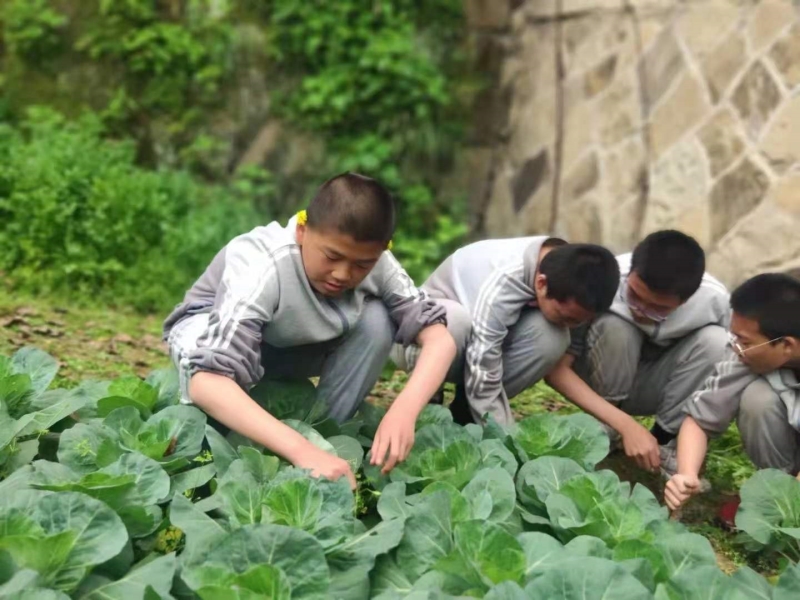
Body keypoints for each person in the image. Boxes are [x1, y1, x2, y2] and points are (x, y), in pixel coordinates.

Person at [163, 173, 464, 489]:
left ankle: (324, 435)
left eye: (362, 265)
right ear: (302, 231)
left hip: (291, 343)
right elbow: (207, 382)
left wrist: (404, 411)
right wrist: (301, 450)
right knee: (214, 400)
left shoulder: (378, 263)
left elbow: (439, 340)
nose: (343, 274)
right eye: (332, 256)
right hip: (214, 339)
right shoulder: (262, 263)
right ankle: (285, 446)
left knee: (378, 319)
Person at [545, 230, 730, 475]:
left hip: (661, 385)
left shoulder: (716, 301)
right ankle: (605, 428)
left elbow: (723, 381)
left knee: (717, 342)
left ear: (685, 300)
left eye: (657, 308)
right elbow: (557, 369)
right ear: (630, 273)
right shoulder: (606, 279)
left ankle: (663, 442)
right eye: (633, 296)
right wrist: (624, 425)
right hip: (598, 376)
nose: (640, 310)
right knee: (616, 325)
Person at [391, 236, 620, 426]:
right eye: (566, 317)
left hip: (480, 343)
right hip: (420, 344)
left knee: (552, 338)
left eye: (579, 322)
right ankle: (428, 398)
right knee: (456, 323)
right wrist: (505, 438)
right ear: (541, 284)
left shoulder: (570, 273)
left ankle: (466, 411)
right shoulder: (503, 280)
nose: (571, 326)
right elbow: (482, 364)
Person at [664, 273, 800, 513]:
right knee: (758, 399)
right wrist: (686, 474)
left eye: (745, 342)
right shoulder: (747, 354)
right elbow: (701, 417)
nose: (737, 348)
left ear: (786, 345)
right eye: (735, 336)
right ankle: (775, 493)